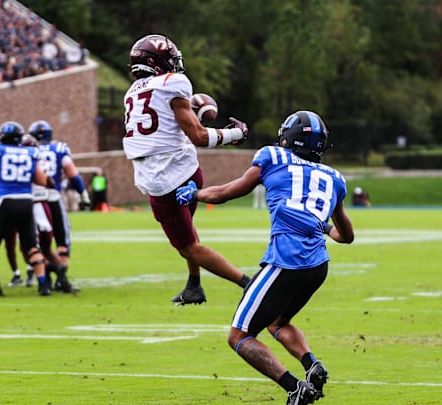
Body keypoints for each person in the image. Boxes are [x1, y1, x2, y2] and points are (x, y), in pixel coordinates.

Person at [176, 110, 355, 404]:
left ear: (288, 137)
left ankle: (294, 387)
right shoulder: (334, 178)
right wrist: (322, 225)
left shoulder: (273, 157)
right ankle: (312, 366)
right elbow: (345, 236)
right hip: (318, 266)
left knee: (239, 336)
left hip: (287, 261)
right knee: (277, 322)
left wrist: (194, 194)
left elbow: (225, 193)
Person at [122, 34, 251, 305]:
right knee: (188, 235)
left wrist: (231, 135)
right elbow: (196, 135)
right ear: (156, 62)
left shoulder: (132, 92)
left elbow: (199, 136)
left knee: (188, 245)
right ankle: (194, 285)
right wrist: (233, 133)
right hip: (183, 169)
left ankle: (249, 285)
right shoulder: (173, 84)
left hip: (164, 178)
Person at [0, 121, 53, 296]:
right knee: (31, 246)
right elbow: (42, 181)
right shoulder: (31, 152)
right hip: (26, 201)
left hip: (5, 200)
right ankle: (43, 285)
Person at [28, 120, 86, 293]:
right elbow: (73, 174)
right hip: (53, 198)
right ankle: (62, 279)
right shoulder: (59, 149)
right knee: (62, 240)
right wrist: (83, 194)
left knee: (35, 241)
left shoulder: (29, 149)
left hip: (34, 201)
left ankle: (42, 277)